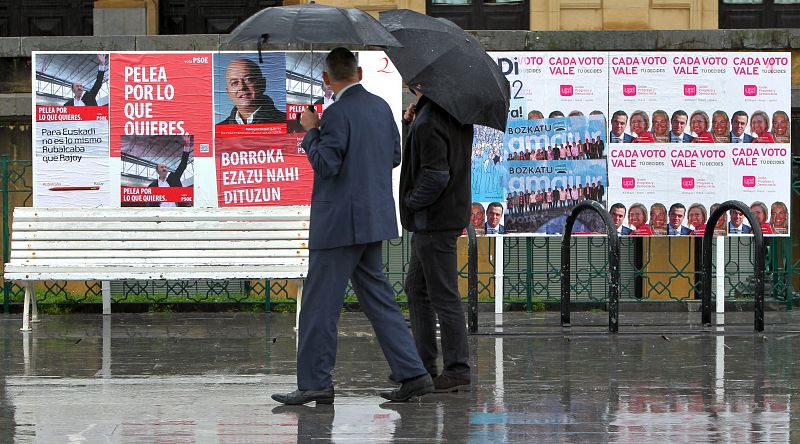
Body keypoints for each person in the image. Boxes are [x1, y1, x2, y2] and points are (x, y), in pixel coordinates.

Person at [271, 48, 431, 406]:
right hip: (372, 220)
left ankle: (315, 382)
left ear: (327, 79)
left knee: (318, 305)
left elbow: (327, 164)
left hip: (339, 224)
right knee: (379, 299)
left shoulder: (336, 113)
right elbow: (393, 156)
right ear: (358, 72)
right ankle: (413, 373)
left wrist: (310, 132)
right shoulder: (380, 107)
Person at [399, 78, 473, 394]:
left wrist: (411, 201)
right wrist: (410, 126)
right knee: (416, 289)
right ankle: (422, 365)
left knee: (442, 295)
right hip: (441, 218)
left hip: (433, 221)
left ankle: (456, 369)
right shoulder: (448, 114)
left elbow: (435, 174)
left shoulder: (430, 121)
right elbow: (427, 160)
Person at [218, 58, 286, 125]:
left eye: (248, 79)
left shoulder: (288, 123)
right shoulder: (218, 129)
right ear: (228, 92)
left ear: (262, 84)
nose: (242, 87)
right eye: (235, 83)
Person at [148, 135, 192, 208]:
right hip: (160, 216)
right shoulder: (152, 186)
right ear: (157, 171)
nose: (165, 168)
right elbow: (150, 203)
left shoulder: (174, 178)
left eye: (166, 167)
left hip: (176, 214)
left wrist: (187, 145)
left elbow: (183, 164)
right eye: (162, 167)